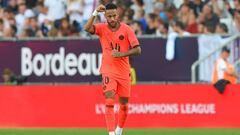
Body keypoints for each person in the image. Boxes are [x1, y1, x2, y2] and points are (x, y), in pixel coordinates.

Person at [84, 3, 141, 135]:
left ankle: (119, 130)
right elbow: (87, 28)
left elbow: (138, 50)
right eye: (109, 16)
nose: (112, 18)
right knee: (109, 99)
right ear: (105, 16)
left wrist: (121, 54)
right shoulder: (102, 28)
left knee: (124, 105)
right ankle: (111, 133)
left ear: (118, 14)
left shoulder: (127, 29)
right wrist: (94, 13)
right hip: (108, 70)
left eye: (114, 15)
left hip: (123, 72)